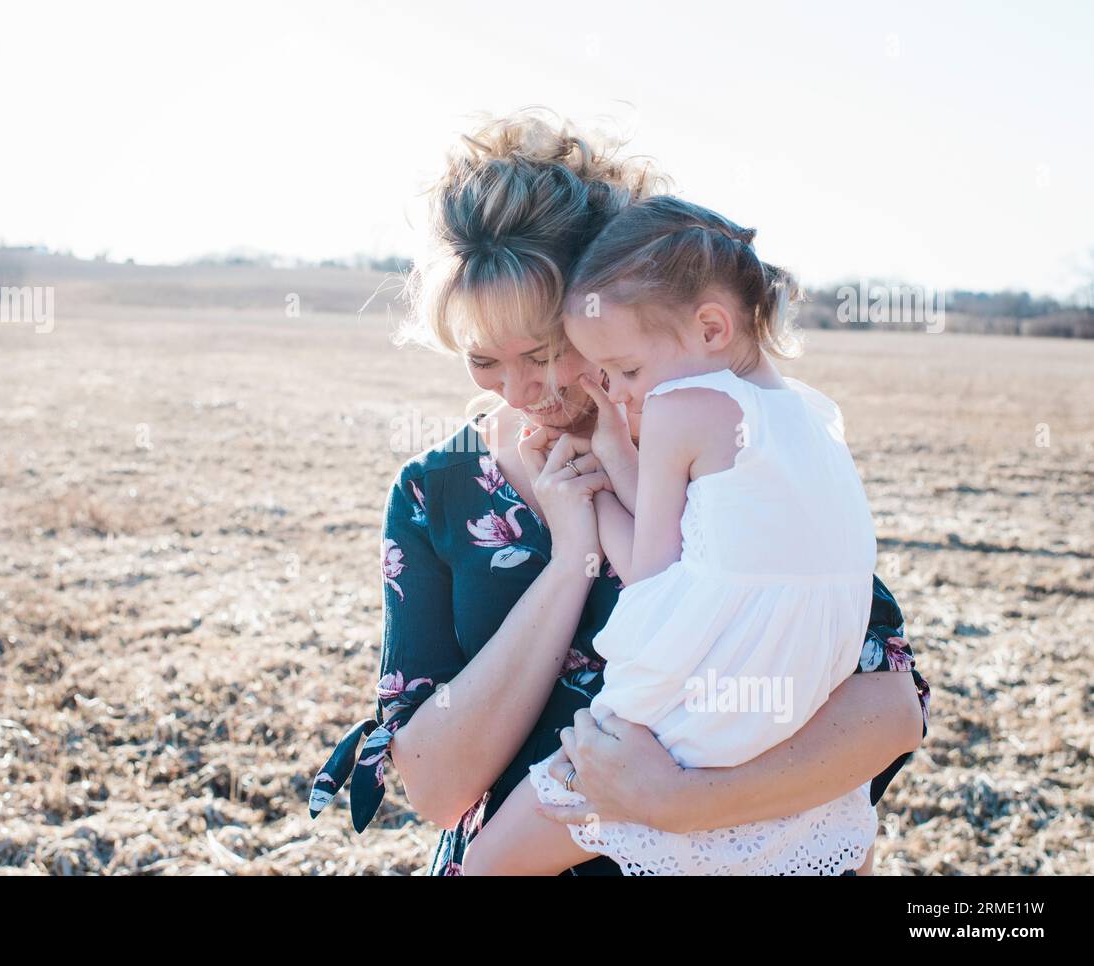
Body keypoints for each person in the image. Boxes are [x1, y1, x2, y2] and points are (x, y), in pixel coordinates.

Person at [308, 110, 930, 876]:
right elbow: (438, 787)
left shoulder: (725, 452)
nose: (521, 391)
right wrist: (572, 560)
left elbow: (889, 711)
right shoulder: (437, 493)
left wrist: (672, 801)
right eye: (482, 361)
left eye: (545, 350)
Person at [465, 195, 885, 875]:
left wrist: (583, 503)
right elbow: (704, 546)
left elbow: (654, 578)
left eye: (626, 370)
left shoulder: (678, 408)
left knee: (488, 865)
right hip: (791, 712)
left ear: (711, 327)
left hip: (690, 719)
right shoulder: (811, 415)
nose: (623, 393)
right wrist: (613, 454)